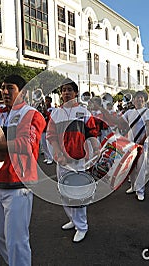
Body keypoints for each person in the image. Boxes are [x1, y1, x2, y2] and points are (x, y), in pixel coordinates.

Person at [0, 74, 46, 265]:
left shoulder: (32, 114)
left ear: (23, 92)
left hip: (18, 186)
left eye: (10, 88)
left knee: (17, 242)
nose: (4, 92)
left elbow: (25, 144)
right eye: (2, 88)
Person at [47, 79, 99, 243]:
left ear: (75, 93)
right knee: (64, 193)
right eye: (63, 90)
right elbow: (51, 136)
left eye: (69, 90)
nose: (66, 93)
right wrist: (57, 153)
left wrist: (95, 151)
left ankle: (82, 227)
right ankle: (73, 220)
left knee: (77, 194)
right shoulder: (56, 113)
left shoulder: (84, 112)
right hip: (62, 160)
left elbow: (92, 133)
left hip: (78, 160)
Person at [41, 96, 54, 164]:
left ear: (50, 102)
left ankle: (51, 158)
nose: (46, 102)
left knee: (49, 144)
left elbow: (50, 116)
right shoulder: (43, 109)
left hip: (49, 129)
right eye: (46, 101)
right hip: (43, 128)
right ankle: (46, 157)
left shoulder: (52, 109)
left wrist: (45, 111)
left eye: (48, 101)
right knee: (44, 144)